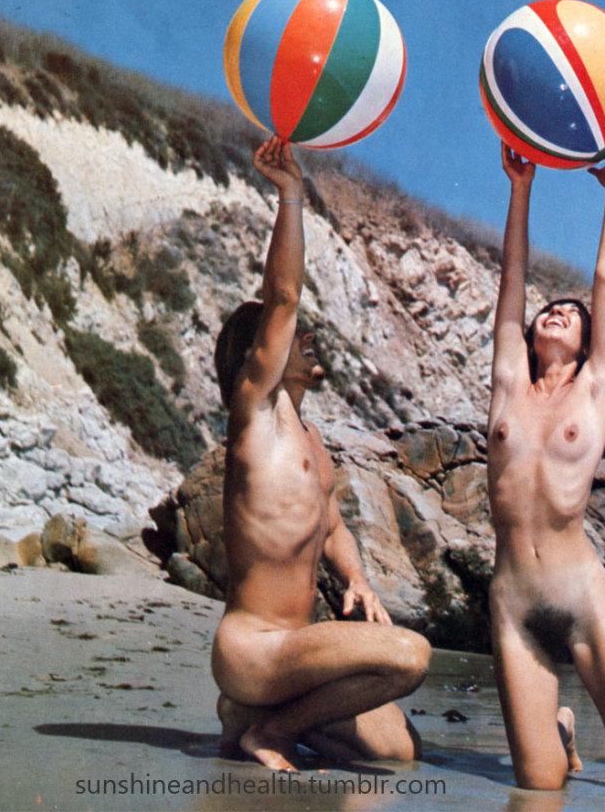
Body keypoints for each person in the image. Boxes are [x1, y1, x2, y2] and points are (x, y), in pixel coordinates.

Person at [210, 138, 430, 772]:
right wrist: (292, 194)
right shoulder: (255, 416)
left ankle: (249, 718)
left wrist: (357, 577)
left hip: (298, 647)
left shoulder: (311, 441)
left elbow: (331, 527)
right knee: (409, 656)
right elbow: (283, 297)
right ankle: (271, 728)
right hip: (255, 647)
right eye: (289, 335)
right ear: (258, 354)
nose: (306, 335)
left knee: (400, 751)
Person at [486, 135, 605, 791]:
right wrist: (521, 189)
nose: (558, 313)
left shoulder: (595, 389)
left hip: (579, 592)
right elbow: (512, 282)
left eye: (572, 314)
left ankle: (578, 731)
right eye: (551, 310)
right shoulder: (508, 382)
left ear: (590, 340)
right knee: (539, 786)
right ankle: (559, 734)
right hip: (513, 595)